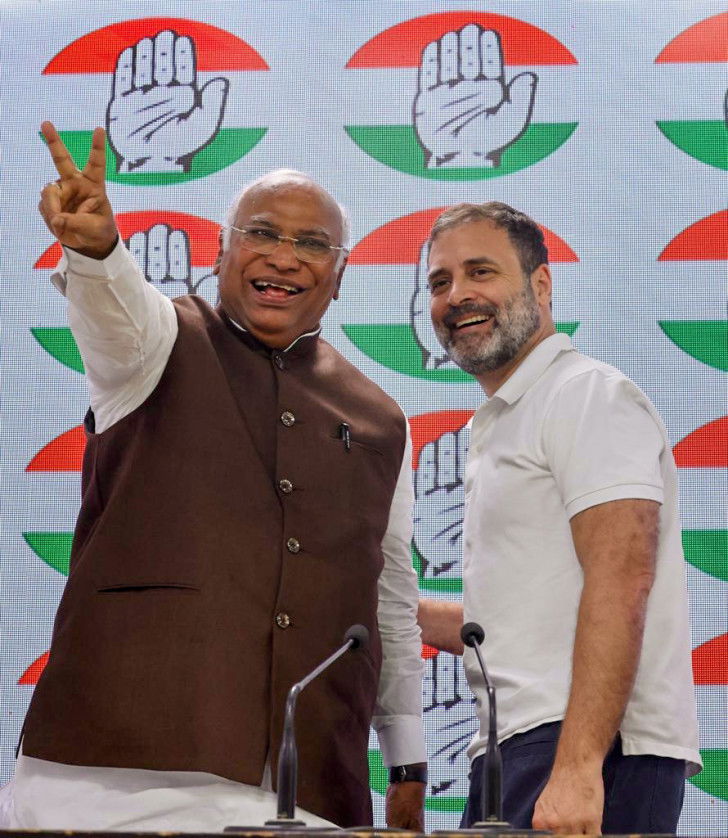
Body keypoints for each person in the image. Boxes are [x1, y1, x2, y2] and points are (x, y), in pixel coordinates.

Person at [2, 122, 427, 832]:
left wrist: (407, 763)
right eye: (262, 233)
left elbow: (388, 600)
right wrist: (97, 250)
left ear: (340, 276)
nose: (285, 256)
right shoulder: (156, 344)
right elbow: (114, 311)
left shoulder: (382, 421)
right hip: (111, 782)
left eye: (312, 244)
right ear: (222, 252)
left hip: (307, 791)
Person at [417, 201, 701, 834]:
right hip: (522, 748)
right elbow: (526, 621)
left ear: (541, 285)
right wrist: (402, 615)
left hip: (587, 751)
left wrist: (578, 767)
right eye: (440, 282)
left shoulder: (585, 395)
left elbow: (621, 579)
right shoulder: (513, 415)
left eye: (480, 271)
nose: (457, 295)